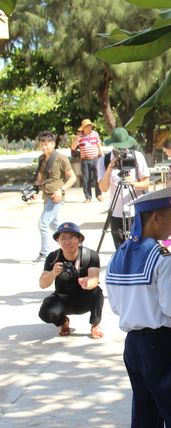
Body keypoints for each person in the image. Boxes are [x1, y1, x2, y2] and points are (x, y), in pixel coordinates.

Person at [105, 186, 171, 428]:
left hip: (133, 346)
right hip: (162, 345)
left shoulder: (117, 257)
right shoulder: (163, 259)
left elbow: (117, 307)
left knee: (145, 416)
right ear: (154, 218)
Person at [38, 222, 103, 339]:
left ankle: (95, 324)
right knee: (44, 312)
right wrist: (53, 273)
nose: (67, 242)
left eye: (72, 237)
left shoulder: (90, 255)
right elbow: (42, 284)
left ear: (79, 240)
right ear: (58, 241)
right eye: (63, 238)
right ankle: (62, 321)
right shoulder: (53, 257)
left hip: (84, 297)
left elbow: (95, 278)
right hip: (62, 298)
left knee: (97, 292)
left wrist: (87, 283)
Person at [97, 127, 150, 249]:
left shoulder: (137, 157)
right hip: (116, 212)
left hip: (136, 211)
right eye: (118, 147)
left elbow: (146, 183)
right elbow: (103, 188)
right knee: (120, 249)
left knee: (138, 247)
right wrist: (109, 169)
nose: (122, 150)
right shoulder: (103, 161)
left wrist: (134, 183)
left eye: (124, 146)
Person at [34, 131, 77, 261]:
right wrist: (34, 191)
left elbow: (73, 178)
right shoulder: (42, 159)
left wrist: (61, 190)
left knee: (43, 224)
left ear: (53, 144)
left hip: (56, 197)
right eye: (42, 144)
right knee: (56, 226)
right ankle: (72, 244)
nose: (44, 147)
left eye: (47, 144)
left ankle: (45, 254)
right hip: (46, 196)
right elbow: (40, 178)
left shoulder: (61, 158)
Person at [70, 119, 103, 203]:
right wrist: (77, 140)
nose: (89, 128)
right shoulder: (79, 136)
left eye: (90, 126)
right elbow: (73, 148)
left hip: (95, 158)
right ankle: (88, 197)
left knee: (97, 177)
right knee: (86, 179)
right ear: (83, 128)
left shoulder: (95, 134)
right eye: (88, 127)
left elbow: (99, 145)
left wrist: (102, 155)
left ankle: (99, 195)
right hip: (85, 160)